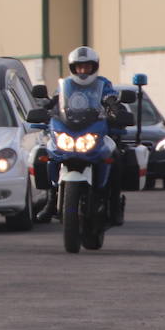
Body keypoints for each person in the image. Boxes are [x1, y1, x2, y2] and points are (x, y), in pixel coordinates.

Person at [36, 45, 121, 223]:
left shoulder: (103, 83)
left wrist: (114, 109)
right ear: (73, 68)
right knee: (47, 154)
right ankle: (51, 200)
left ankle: (113, 205)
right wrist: (44, 109)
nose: (83, 71)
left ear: (94, 67)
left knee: (117, 157)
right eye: (79, 67)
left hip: (95, 128)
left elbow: (109, 98)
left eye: (87, 67)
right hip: (70, 128)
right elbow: (54, 102)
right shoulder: (66, 85)